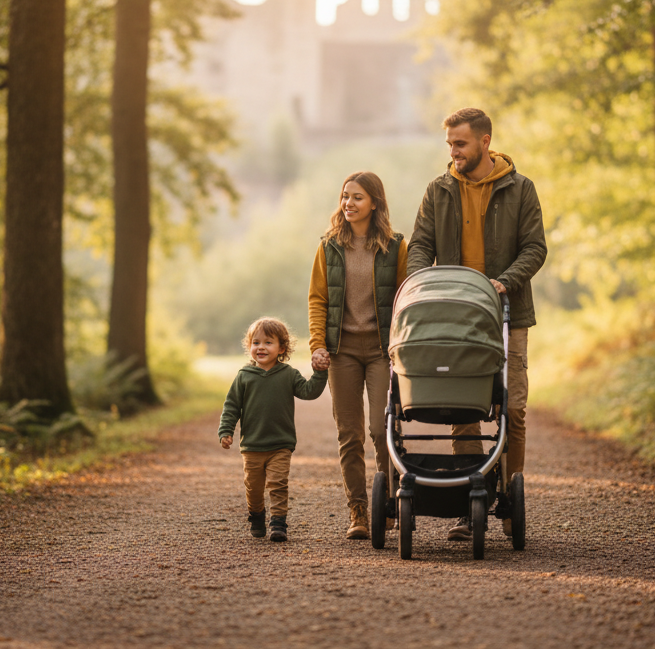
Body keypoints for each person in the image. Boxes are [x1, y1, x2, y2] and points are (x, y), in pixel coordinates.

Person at [406, 107, 547, 542]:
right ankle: (473, 501)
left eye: (460, 143)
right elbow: (420, 246)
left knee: (515, 408)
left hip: (507, 311)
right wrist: (423, 285)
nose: (453, 152)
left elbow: (535, 248)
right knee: (462, 405)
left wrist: (504, 283)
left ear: (485, 141)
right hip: (453, 315)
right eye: (449, 144)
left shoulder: (520, 189)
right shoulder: (439, 190)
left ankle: (510, 497)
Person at [308, 171, 408, 540]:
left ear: (374, 203)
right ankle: (359, 510)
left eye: (357, 197)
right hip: (343, 350)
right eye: (345, 196)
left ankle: (391, 503)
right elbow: (318, 298)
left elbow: (404, 299)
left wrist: (402, 345)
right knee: (349, 435)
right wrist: (318, 344)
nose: (348, 203)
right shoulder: (329, 246)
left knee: (382, 430)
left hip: (382, 350)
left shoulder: (397, 246)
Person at [218, 317, 328, 542]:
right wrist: (226, 431)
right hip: (252, 446)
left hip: (281, 444)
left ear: (282, 348)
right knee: (254, 488)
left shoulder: (288, 374)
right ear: (249, 347)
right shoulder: (244, 376)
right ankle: (256, 515)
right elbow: (231, 406)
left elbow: (308, 392)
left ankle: (279, 523)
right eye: (256, 342)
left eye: (268, 342)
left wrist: (320, 373)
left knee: (278, 484)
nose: (261, 347)